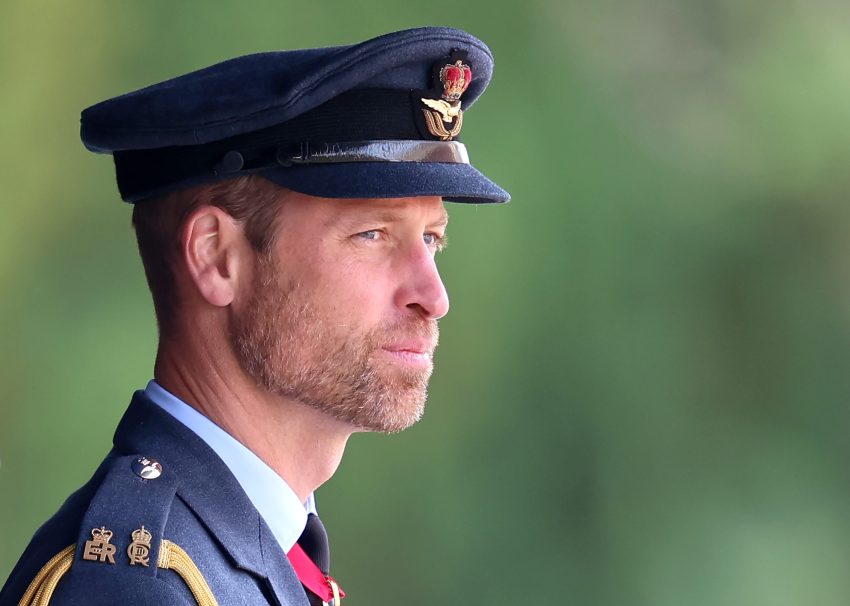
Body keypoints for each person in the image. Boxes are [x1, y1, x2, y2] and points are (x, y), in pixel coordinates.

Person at [0, 26, 509, 606]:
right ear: (216, 256)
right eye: (372, 234)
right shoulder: (136, 585)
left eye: (432, 240)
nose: (433, 295)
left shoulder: (255, 555)